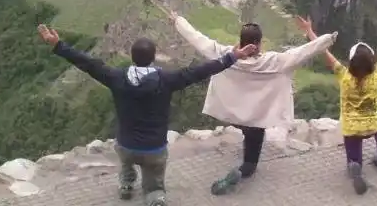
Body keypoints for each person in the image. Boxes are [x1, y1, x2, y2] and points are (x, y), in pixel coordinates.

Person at [37, 24, 257, 206]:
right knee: (154, 185)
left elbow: (88, 64)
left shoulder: (116, 77)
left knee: (125, 161)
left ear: (132, 57)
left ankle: (126, 185)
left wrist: (58, 45)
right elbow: (201, 71)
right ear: (154, 58)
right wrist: (233, 56)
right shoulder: (167, 80)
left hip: (126, 145)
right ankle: (155, 197)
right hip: (154, 148)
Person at [169, 11, 338, 196]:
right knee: (250, 161)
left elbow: (197, 38)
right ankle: (241, 172)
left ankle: (241, 154)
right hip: (257, 120)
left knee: (244, 129)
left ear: (240, 40)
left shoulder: (225, 55)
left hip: (233, 115)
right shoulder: (275, 61)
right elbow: (303, 52)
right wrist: (327, 39)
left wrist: (178, 20)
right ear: (258, 43)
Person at [296, 16, 377, 194]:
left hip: (351, 129)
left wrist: (309, 31)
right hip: (372, 126)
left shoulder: (344, 76)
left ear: (350, 63)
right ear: (371, 62)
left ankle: (355, 166)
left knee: (353, 148)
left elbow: (324, 51)